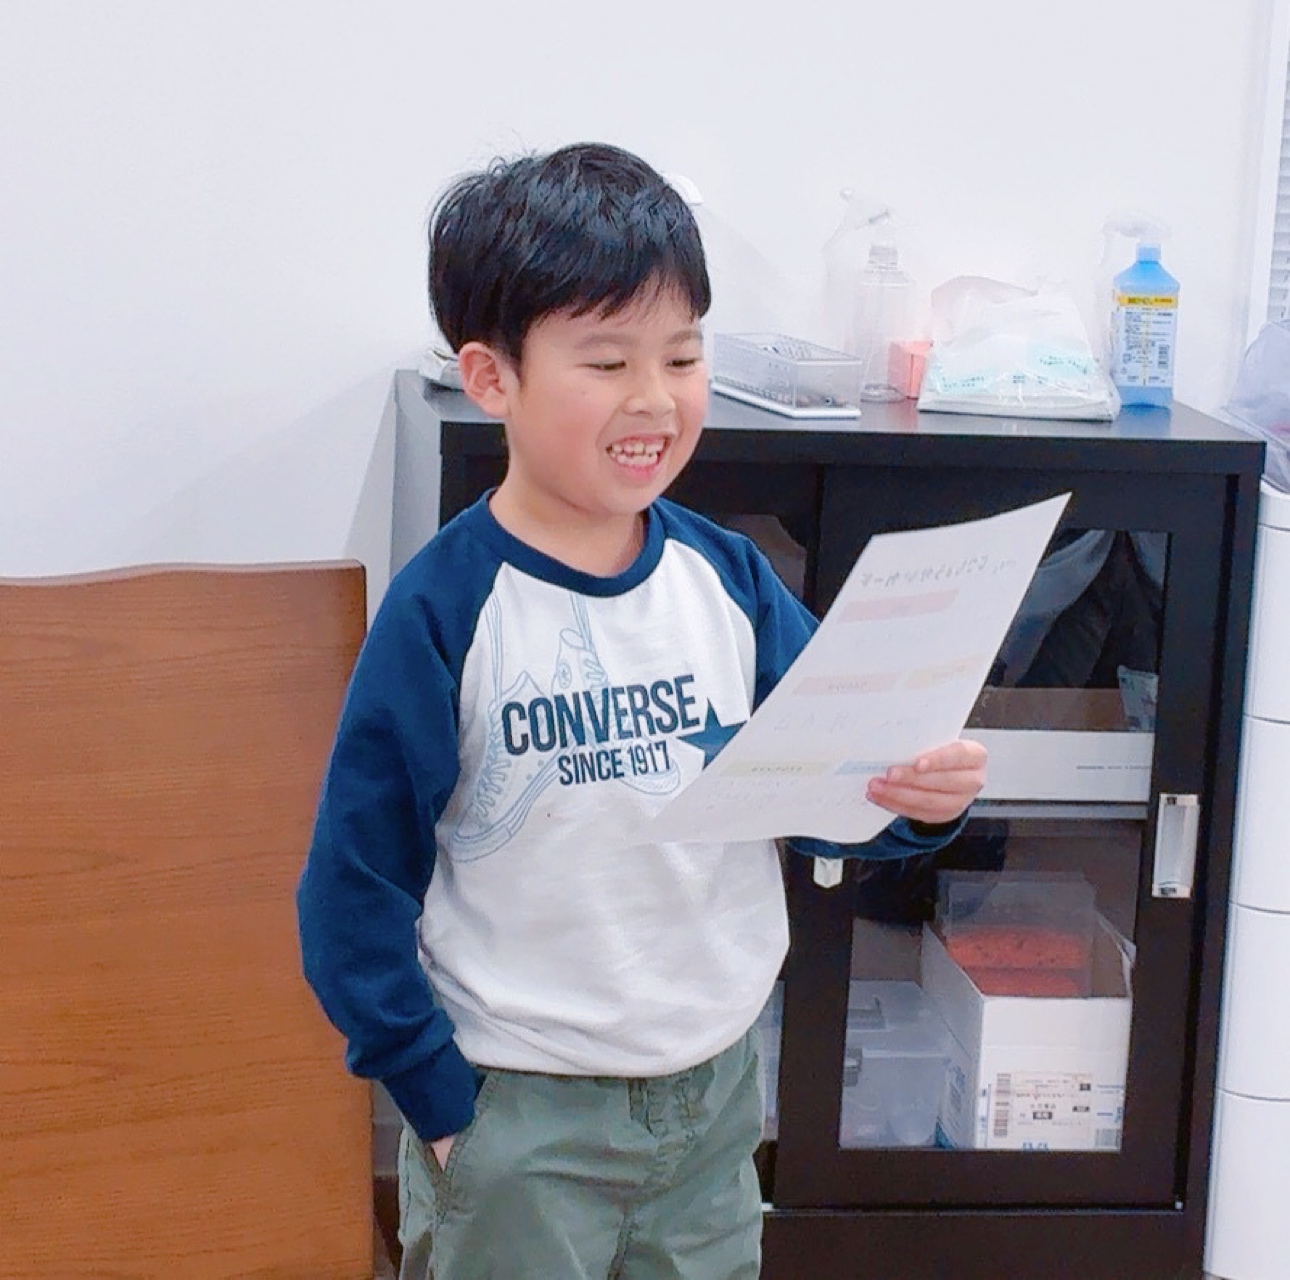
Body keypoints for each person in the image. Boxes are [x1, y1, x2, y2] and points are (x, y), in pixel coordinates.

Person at [297, 141, 987, 1280]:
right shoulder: (446, 609)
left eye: (683, 354)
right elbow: (350, 890)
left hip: (714, 1101)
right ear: (492, 379)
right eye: (608, 360)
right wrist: (440, 1101)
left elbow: (825, 789)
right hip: (518, 1110)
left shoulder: (728, 578)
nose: (655, 399)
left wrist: (919, 800)